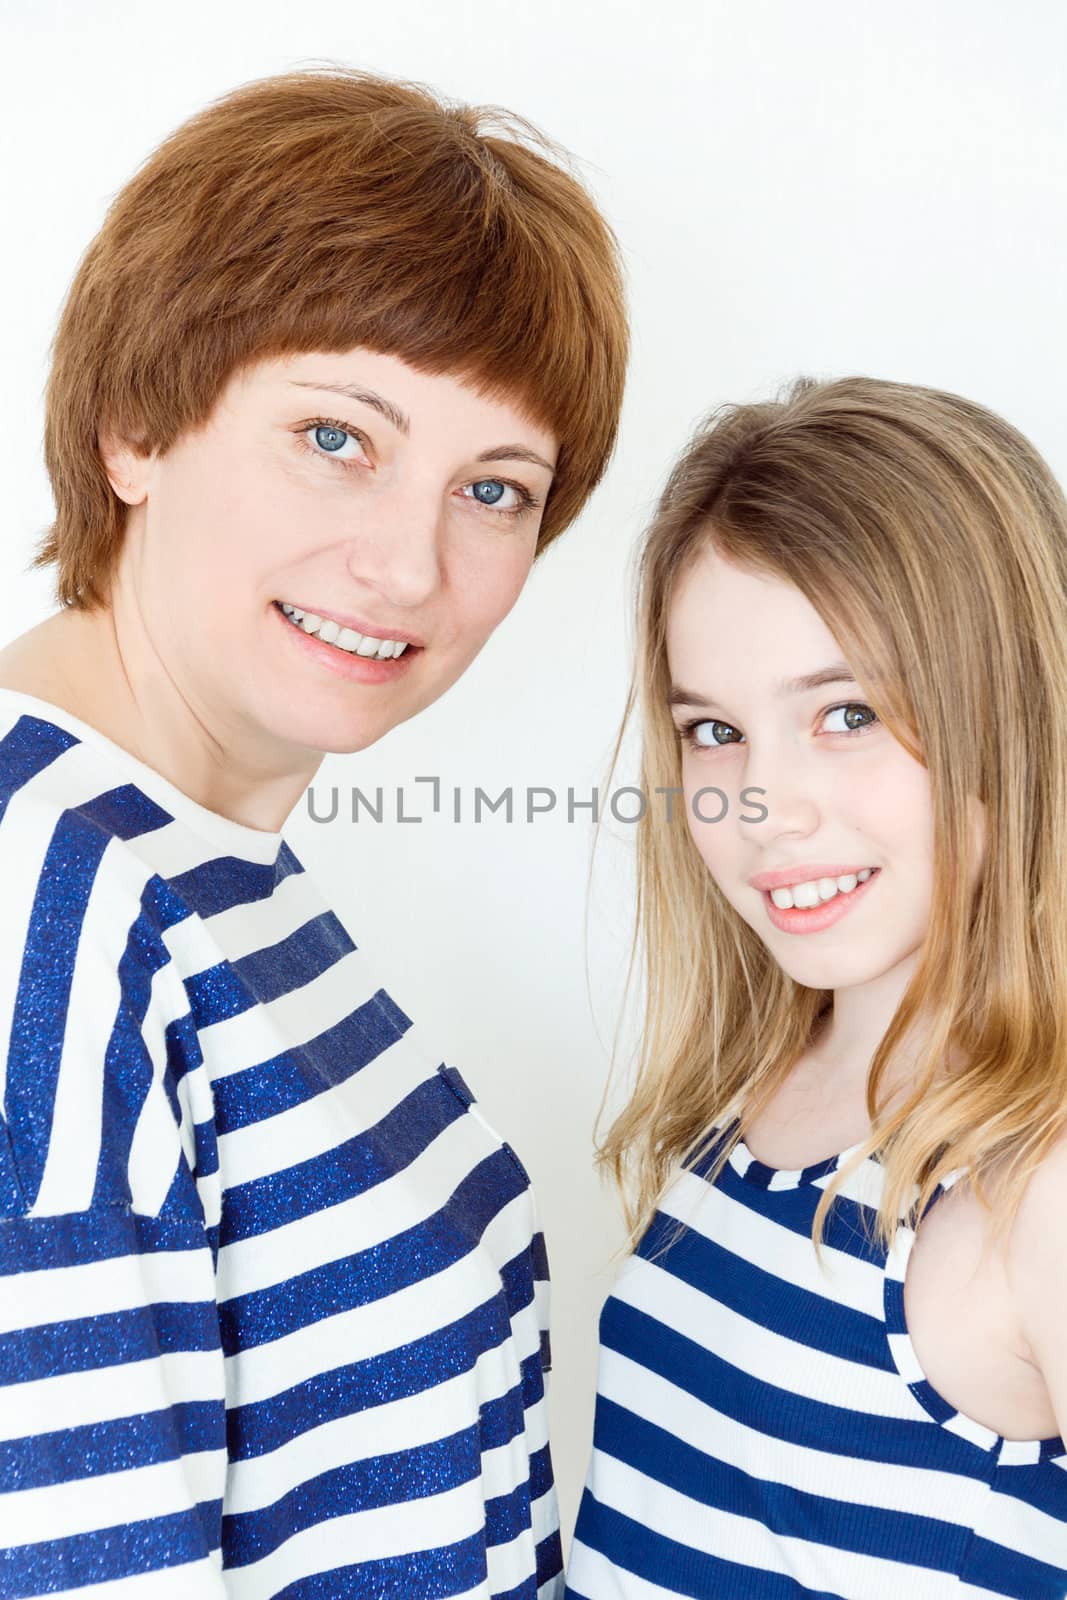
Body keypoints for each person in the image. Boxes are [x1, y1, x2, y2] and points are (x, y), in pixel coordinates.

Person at [0, 66, 627, 1598]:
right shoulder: (46, 906)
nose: (408, 563)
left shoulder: (193, 854)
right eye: (337, 438)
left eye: (493, 488)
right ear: (135, 423)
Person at [566, 377, 1067, 1598]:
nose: (760, 805)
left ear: (1005, 712)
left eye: (843, 713)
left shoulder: (1032, 1178)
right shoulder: (765, 1083)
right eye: (712, 730)